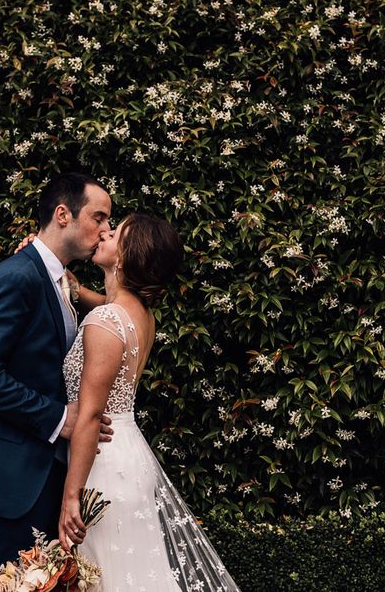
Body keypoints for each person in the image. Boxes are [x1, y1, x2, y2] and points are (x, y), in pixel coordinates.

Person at [0, 173, 114, 592]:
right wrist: (61, 417)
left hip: (42, 470)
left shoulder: (58, 281)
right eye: (99, 218)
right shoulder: (19, 275)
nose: (106, 229)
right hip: (12, 474)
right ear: (62, 215)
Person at [58, 212, 241, 591]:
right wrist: (76, 289)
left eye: (116, 231)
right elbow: (108, 307)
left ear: (126, 255)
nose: (105, 232)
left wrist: (70, 498)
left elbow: (90, 415)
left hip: (101, 461)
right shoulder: (141, 316)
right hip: (130, 457)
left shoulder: (105, 323)